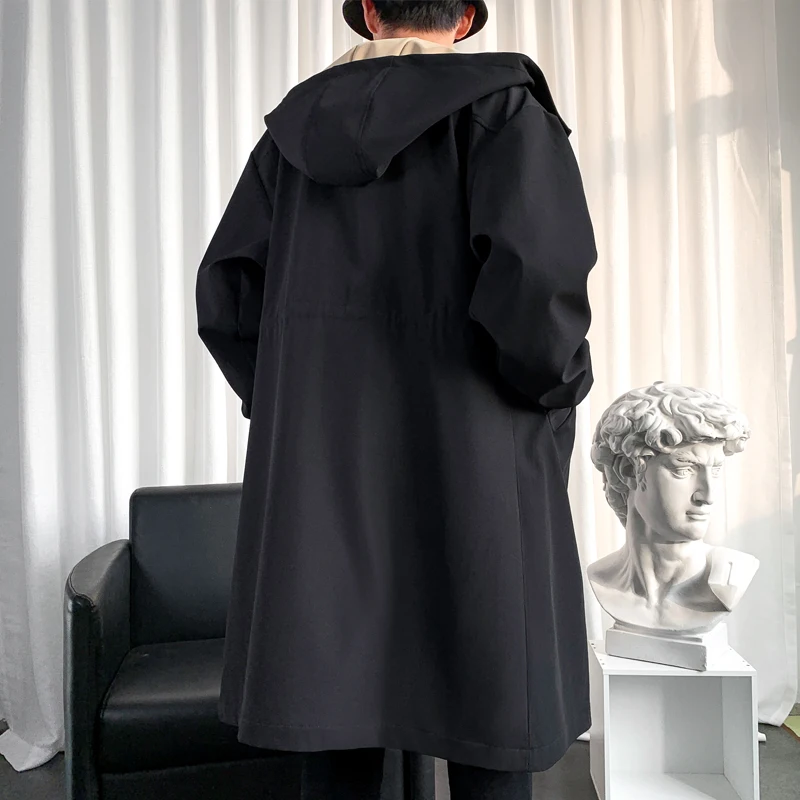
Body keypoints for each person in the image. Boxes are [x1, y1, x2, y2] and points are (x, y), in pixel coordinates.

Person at [195, 1, 597, 797]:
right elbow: (539, 286)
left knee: (333, 712)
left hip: (321, 475)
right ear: (468, 19)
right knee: (490, 718)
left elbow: (228, 299)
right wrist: (554, 388)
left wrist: (293, 405)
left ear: (370, 12)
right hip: (478, 461)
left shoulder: (289, 138)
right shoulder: (504, 113)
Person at [589, 382, 759, 634]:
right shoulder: (602, 577)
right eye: (684, 469)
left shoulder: (731, 576)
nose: (708, 496)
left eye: (715, 470)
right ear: (628, 471)